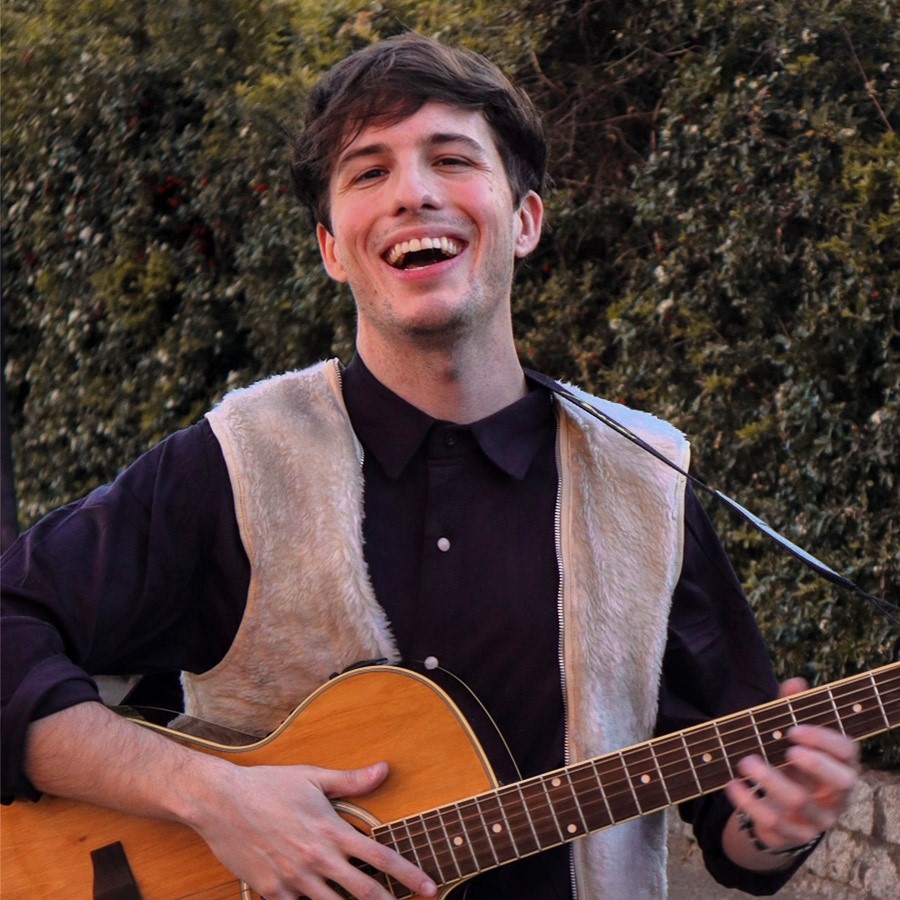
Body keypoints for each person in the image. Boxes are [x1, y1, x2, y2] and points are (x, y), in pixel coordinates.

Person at [1, 32, 860, 900]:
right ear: (332, 248)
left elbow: (738, 826)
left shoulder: (646, 483)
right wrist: (210, 794)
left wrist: (781, 822)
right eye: (369, 171)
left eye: (451, 159)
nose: (412, 192)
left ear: (524, 221)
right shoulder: (235, 465)